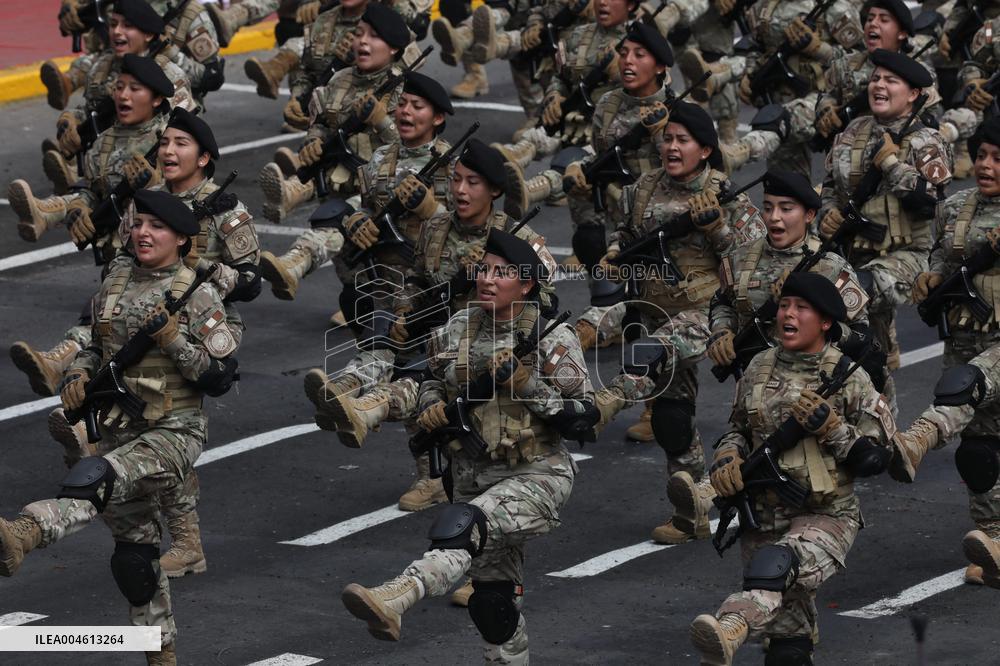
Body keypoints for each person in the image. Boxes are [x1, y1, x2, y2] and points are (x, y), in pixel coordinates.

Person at [0, 190, 240, 666]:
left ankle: (27, 531)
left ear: (182, 240)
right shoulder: (118, 274)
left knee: (98, 478)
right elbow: (95, 341)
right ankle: (161, 654)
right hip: (119, 426)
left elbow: (219, 377)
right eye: (139, 223)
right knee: (136, 560)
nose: (143, 233)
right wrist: (78, 373)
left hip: (174, 433)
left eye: (157, 227)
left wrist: (173, 340)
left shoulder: (197, 292)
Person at [340, 230, 594, 665]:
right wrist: (433, 406)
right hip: (474, 475)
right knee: (491, 605)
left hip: (537, 475)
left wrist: (527, 384)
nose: (487, 279)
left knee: (461, 527)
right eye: (484, 269)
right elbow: (430, 379)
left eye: (502, 273)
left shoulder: (554, 339)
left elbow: (585, 417)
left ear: (527, 284)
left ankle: (399, 596)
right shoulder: (458, 328)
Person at [305, 139, 553, 507]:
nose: (460, 190)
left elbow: (546, 302)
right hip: (437, 327)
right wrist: (407, 310)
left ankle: (371, 415)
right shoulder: (436, 227)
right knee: (386, 333)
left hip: (489, 343)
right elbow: (416, 279)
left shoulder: (518, 240)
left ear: (495, 191)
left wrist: (489, 287)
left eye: (472, 182)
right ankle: (345, 388)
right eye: (455, 180)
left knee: (420, 379)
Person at [690, 272, 895, 666]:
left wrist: (832, 428)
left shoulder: (850, 378)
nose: (788, 313)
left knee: (773, 570)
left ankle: (729, 629)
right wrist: (727, 457)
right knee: (788, 645)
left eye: (802, 308)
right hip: (763, 515)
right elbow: (737, 429)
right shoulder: (759, 367)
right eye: (785, 305)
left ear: (825, 322)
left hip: (826, 514)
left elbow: (875, 457)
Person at [286, 70, 455, 513]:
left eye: (418, 107)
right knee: (388, 361)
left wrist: (431, 209)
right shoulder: (379, 160)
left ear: (438, 118)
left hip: (434, 290)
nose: (405, 112)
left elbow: (464, 229)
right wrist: (356, 222)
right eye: (402, 105)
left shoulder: (454, 166)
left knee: (421, 378)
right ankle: (345, 395)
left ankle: (434, 474)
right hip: (384, 283)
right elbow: (367, 210)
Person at [598, 101, 764, 539]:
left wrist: (718, 232)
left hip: (704, 312)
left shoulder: (727, 197)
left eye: (682, 140)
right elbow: (624, 234)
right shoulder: (643, 189)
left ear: (705, 149)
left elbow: (753, 266)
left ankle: (606, 403)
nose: (671, 147)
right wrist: (616, 255)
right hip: (653, 307)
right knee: (672, 416)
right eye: (667, 138)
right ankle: (691, 508)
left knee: (654, 353)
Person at [819, 48, 953, 414]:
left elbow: (931, 201)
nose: (879, 85)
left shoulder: (927, 141)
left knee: (849, 297)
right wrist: (827, 215)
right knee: (856, 328)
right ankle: (875, 404)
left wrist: (892, 164)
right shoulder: (852, 132)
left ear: (912, 95)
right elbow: (831, 187)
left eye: (890, 81)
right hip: (854, 252)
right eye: (876, 78)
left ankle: (877, 396)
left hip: (906, 256)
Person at [900, 117, 1000, 585]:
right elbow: (942, 259)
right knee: (979, 453)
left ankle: (917, 438)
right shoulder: (956, 208)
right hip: (965, 340)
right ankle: (995, 540)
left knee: (964, 391)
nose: (985, 164)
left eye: (997, 157)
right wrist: (930, 278)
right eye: (981, 154)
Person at [256, 2, 411, 223]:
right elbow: (320, 121)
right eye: (358, 34)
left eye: (374, 36)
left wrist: (381, 120)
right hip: (337, 174)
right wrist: (313, 141)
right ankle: (291, 192)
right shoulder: (339, 79)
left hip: (378, 185)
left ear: (393, 47)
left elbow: (411, 147)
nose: (363, 41)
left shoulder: (402, 88)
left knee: (332, 231)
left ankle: (295, 197)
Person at [42, 0, 195, 195]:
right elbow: (91, 110)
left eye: (127, 26)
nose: (116, 32)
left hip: (150, 169)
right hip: (105, 158)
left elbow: (187, 138)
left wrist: (157, 175)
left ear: (148, 35)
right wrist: (71, 119)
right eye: (113, 24)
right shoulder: (102, 67)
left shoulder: (169, 76)